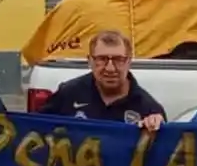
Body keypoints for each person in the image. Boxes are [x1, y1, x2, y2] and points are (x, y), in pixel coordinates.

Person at [37, 30, 166, 131]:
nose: (110, 68)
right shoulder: (68, 94)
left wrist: (158, 128)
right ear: (90, 61)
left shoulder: (149, 109)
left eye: (118, 60)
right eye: (102, 59)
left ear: (128, 61)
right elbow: (35, 130)